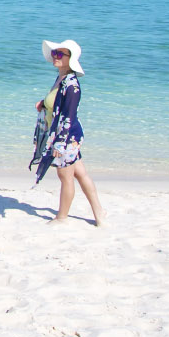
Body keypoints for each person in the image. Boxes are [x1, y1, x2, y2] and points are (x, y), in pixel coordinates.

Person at [33, 39, 105, 226]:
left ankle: (62, 217)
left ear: (70, 59)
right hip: (66, 136)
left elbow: (68, 115)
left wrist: (59, 143)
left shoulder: (72, 86)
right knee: (80, 173)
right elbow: (57, 103)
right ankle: (99, 213)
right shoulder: (61, 78)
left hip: (67, 137)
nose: (54, 57)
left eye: (59, 54)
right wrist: (44, 103)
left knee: (65, 176)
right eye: (54, 53)